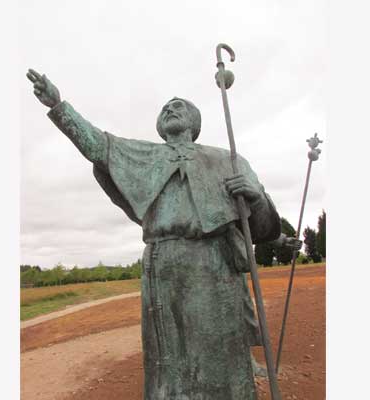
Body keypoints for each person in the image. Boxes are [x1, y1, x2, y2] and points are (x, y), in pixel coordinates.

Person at [26, 68, 295, 399]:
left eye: (179, 106)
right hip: (163, 265)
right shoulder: (145, 155)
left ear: (195, 123)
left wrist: (256, 198)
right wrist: (59, 106)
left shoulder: (227, 160)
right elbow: (98, 146)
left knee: (221, 352)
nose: (170, 109)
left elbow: (262, 230)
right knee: (168, 358)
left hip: (216, 267)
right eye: (166, 107)